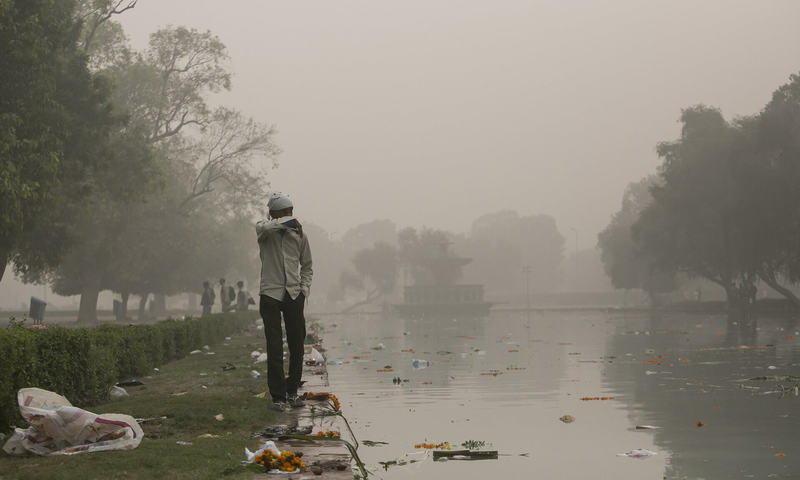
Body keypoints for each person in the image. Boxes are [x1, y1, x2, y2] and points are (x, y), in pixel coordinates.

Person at [256, 193, 313, 411]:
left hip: (293, 295)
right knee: (274, 345)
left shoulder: (299, 236)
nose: (289, 216)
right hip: (270, 294)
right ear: (273, 214)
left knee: (297, 344)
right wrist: (285, 222)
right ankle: (278, 397)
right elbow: (263, 227)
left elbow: (307, 266)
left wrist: (303, 290)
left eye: (290, 212)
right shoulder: (265, 233)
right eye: (283, 213)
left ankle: (292, 391)